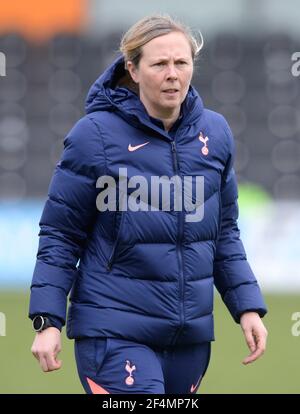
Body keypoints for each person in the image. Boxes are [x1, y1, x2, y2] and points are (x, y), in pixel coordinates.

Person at [29, 14, 268, 394]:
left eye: (181, 62)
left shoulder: (216, 134)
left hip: (188, 338)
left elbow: (224, 232)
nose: (172, 74)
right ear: (133, 69)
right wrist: (47, 320)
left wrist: (247, 306)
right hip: (113, 332)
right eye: (159, 64)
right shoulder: (95, 136)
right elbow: (60, 234)